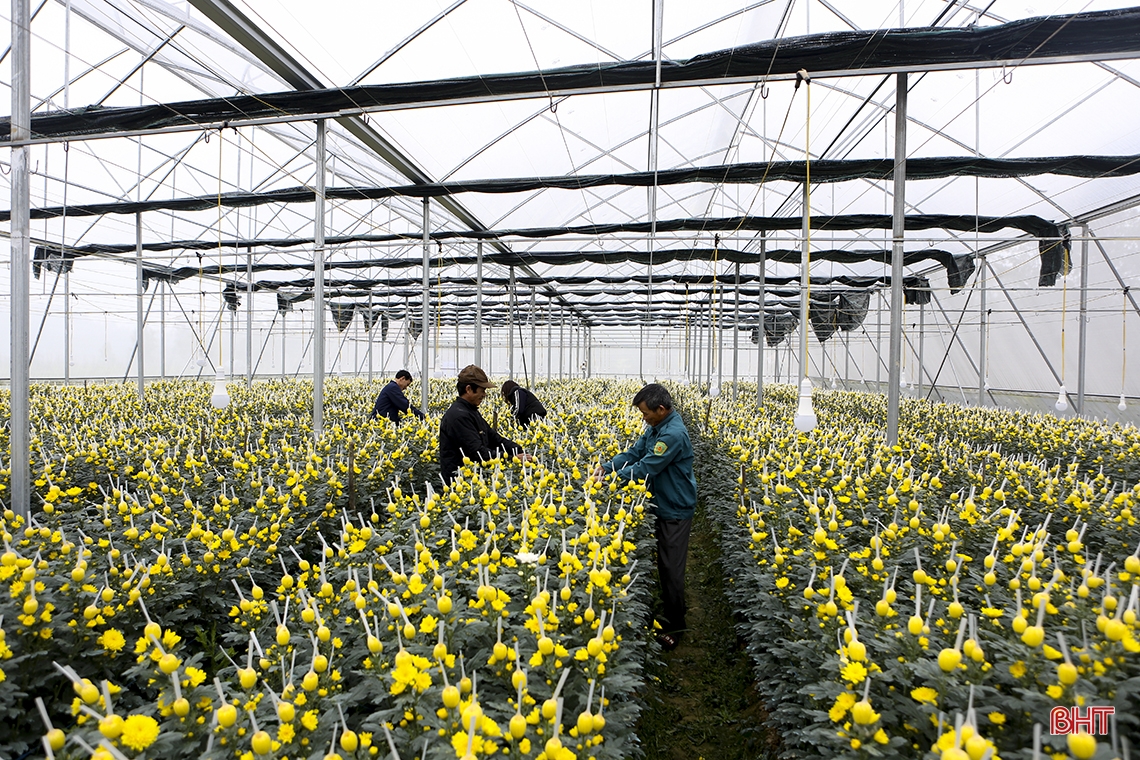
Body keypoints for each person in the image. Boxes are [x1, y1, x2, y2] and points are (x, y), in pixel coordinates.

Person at [592, 383, 696, 651]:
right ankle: (670, 609)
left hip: (674, 506)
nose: (643, 418)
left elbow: (646, 467)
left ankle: (676, 625)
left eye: (646, 413)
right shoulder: (656, 428)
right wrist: (605, 467)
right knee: (664, 564)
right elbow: (634, 453)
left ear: (661, 409)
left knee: (672, 567)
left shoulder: (672, 434)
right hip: (662, 502)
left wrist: (612, 481)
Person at [438, 365, 528, 484]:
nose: (484, 394)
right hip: (460, 484)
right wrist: (512, 458)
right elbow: (477, 452)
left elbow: (493, 437)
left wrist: (517, 449)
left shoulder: (470, 411)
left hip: (473, 480)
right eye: (482, 390)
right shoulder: (458, 416)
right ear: (469, 389)